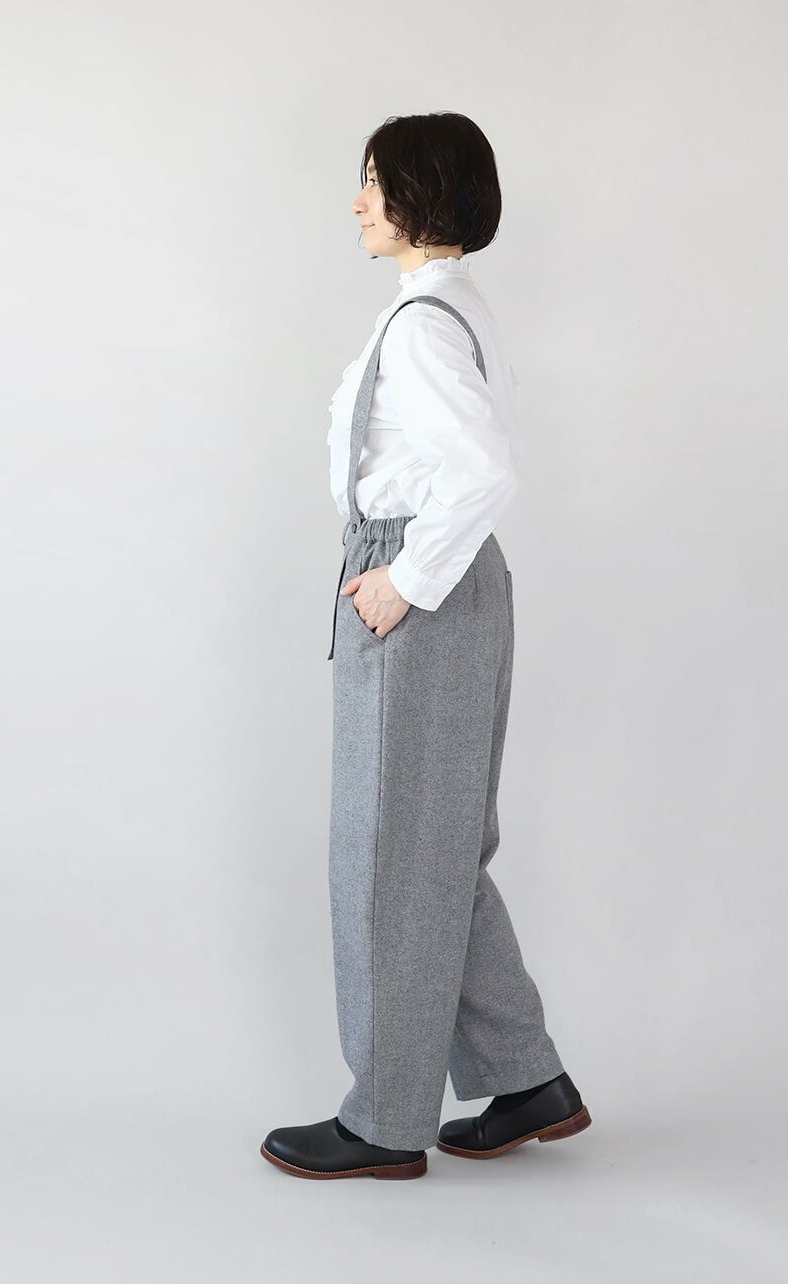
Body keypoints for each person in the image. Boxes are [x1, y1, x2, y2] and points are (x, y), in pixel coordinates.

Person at [261, 112, 590, 1181]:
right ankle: (525, 1076)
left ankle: (385, 1120)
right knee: (434, 851)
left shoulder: (421, 326)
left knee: (389, 856)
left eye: (375, 182)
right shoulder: (441, 308)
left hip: (420, 584)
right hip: (442, 584)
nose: (358, 202)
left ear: (421, 194)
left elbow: (482, 470)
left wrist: (402, 582)